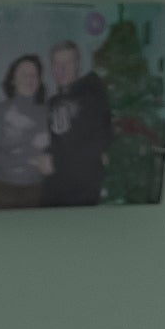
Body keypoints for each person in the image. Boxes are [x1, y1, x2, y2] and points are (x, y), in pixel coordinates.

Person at [41, 35, 114, 207]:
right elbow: (64, 140)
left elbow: (99, 142)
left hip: (80, 193)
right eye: (57, 64)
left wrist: (53, 161)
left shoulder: (91, 95)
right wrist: (47, 153)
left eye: (68, 63)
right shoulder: (53, 102)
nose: (62, 69)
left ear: (78, 65)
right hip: (55, 188)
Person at [0, 51, 52, 209]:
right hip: (3, 190)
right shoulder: (0, 111)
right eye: (24, 74)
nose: (29, 79)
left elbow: (55, 149)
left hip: (37, 190)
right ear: (12, 80)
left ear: (39, 81)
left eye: (34, 74)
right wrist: (28, 160)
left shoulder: (49, 111)